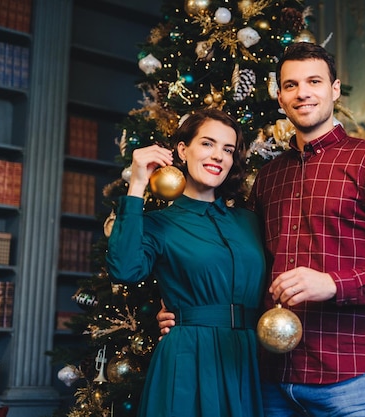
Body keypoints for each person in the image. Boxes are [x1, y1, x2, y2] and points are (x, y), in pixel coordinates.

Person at [158, 42, 365, 417]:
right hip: (270, 378)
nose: (302, 93)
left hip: (350, 378)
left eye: (314, 81)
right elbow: (242, 261)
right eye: (291, 85)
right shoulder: (269, 178)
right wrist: (187, 310)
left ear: (334, 89)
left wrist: (334, 284)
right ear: (280, 97)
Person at [106, 109, 266, 417]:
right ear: (183, 150)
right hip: (189, 357)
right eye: (207, 144)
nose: (218, 156)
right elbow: (124, 270)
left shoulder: (250, 221)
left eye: (228, 149)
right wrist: (137, 183)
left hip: (248, 359)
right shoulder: (159, 224)